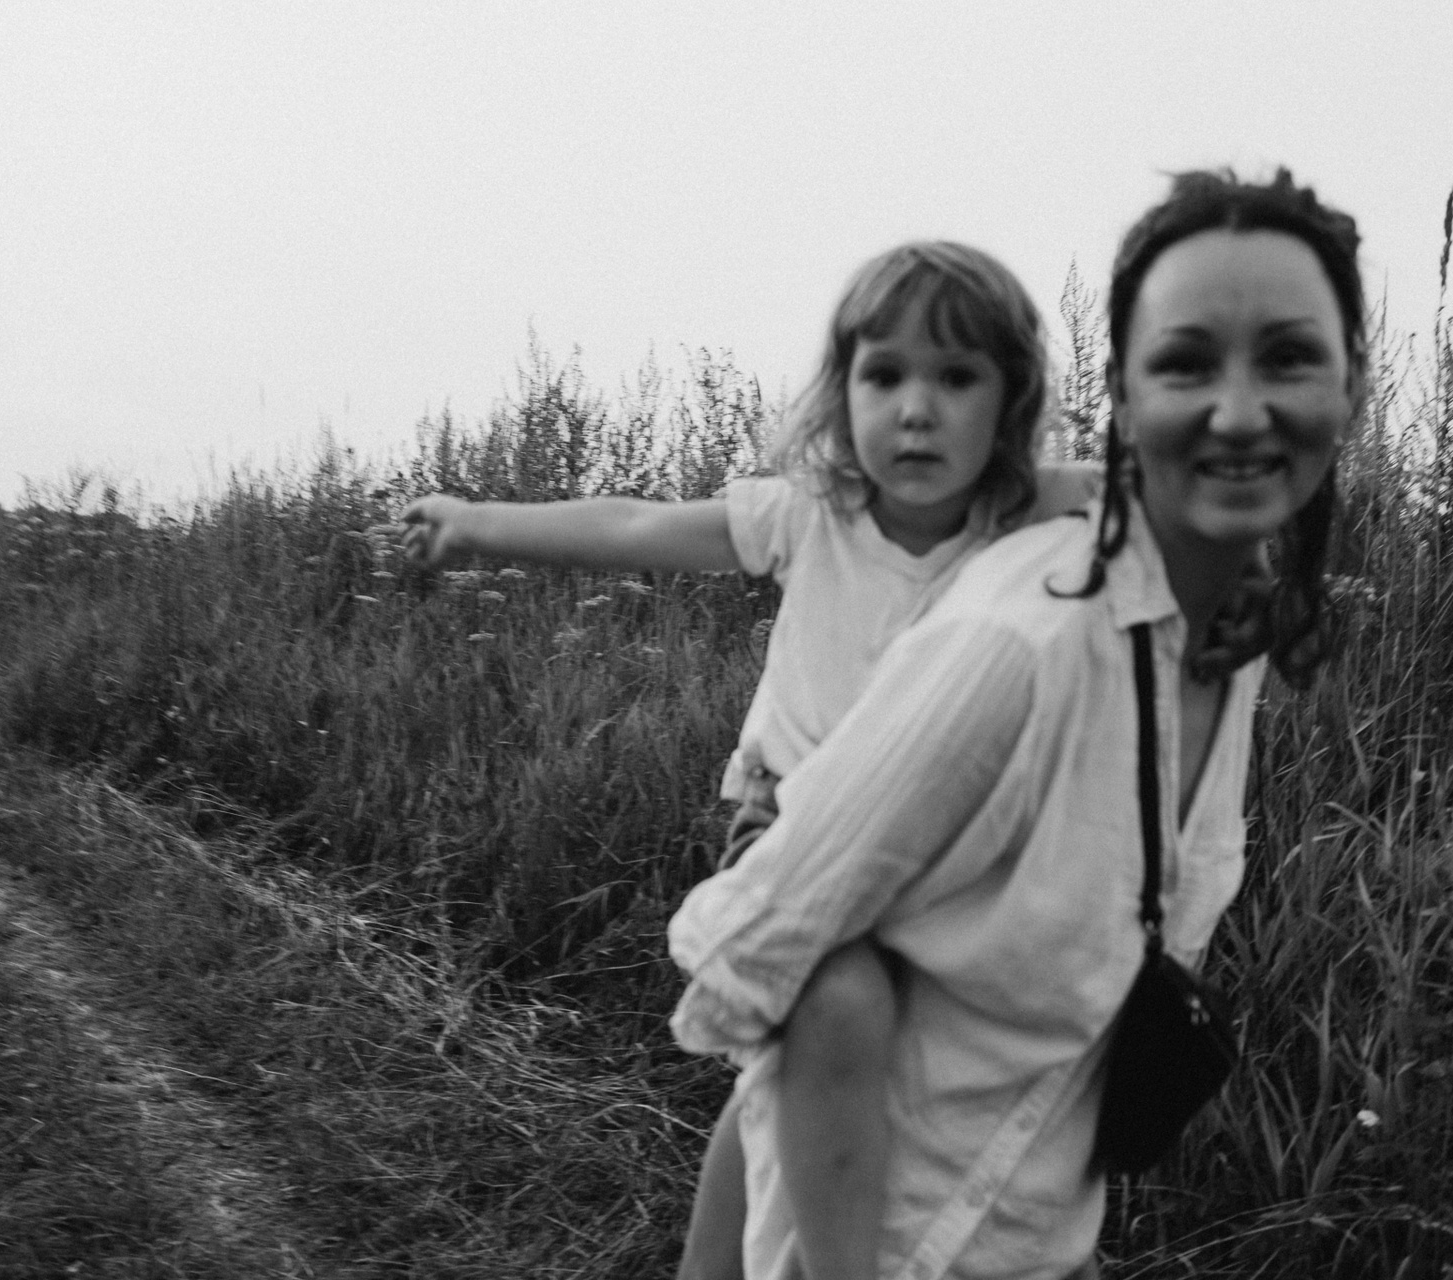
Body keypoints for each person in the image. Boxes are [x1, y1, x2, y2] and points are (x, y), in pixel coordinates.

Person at [667, 167, 1366, 1280]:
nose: (1239, 411)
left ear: (1350, 384)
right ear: (1125, 395)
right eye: (1187, 363)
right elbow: (761, 938)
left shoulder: (1220, 640)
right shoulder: (1021, 641)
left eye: (1287, 358)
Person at [390, 241, 1100, 1280]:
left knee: (794, 1075)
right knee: (836, 1007)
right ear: (844, 391)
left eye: (958, 378)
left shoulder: (1021, 516)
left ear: (1011, 400)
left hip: (931, 843)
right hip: (789, 830)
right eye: (885, 375)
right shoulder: (813, 513)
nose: (917, 409)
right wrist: (473, 524)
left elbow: (1162, 512)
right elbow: (635, 524)